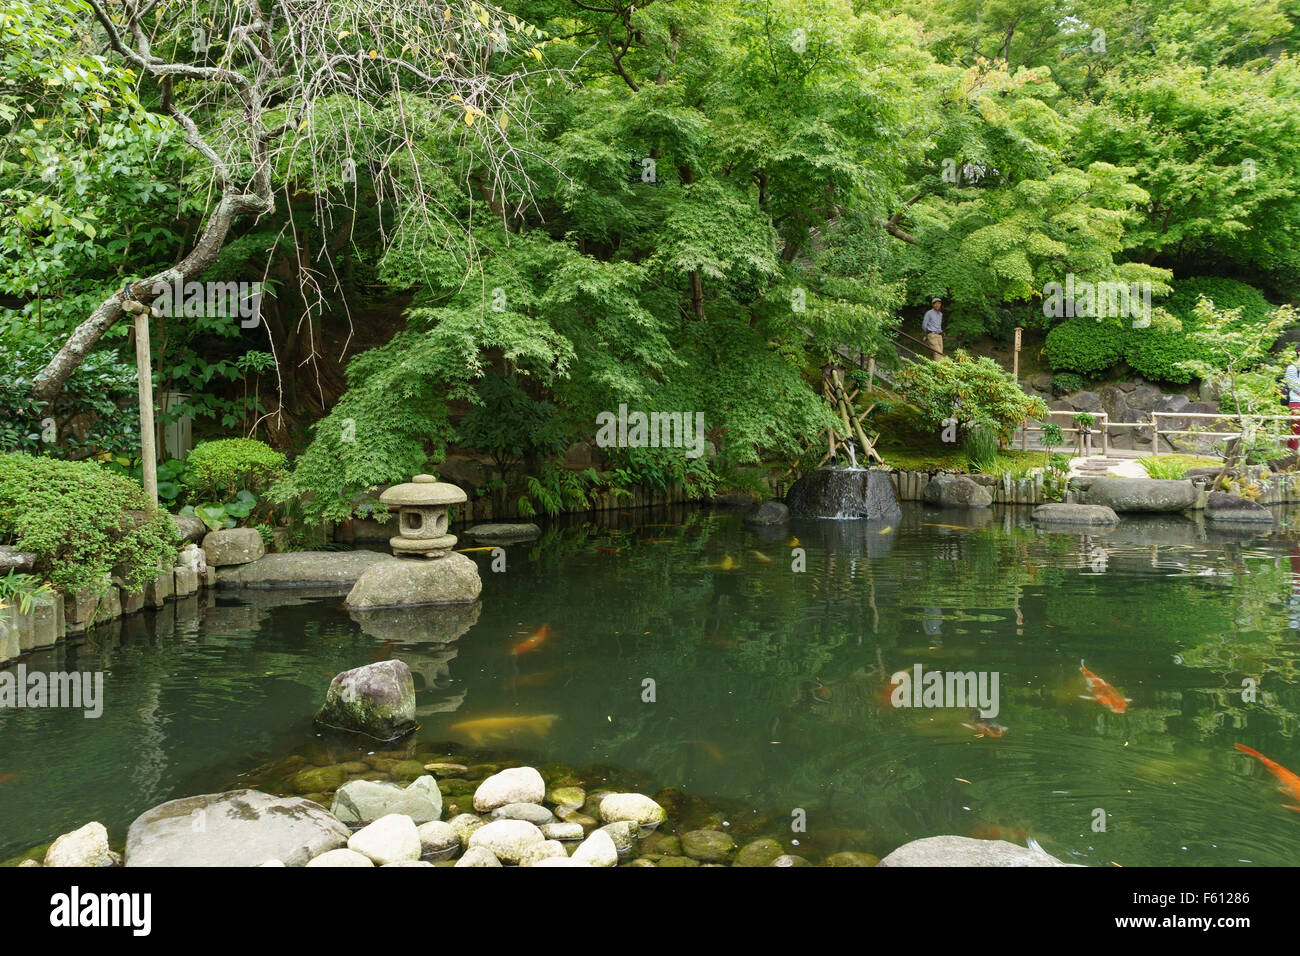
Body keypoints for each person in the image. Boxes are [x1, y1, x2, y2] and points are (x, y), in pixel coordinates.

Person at [1286, 343, 1300, 452]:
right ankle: (1292, 453)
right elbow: (1292, 384)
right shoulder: (1292, 367)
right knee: (1296, 429)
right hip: (1297, 401)